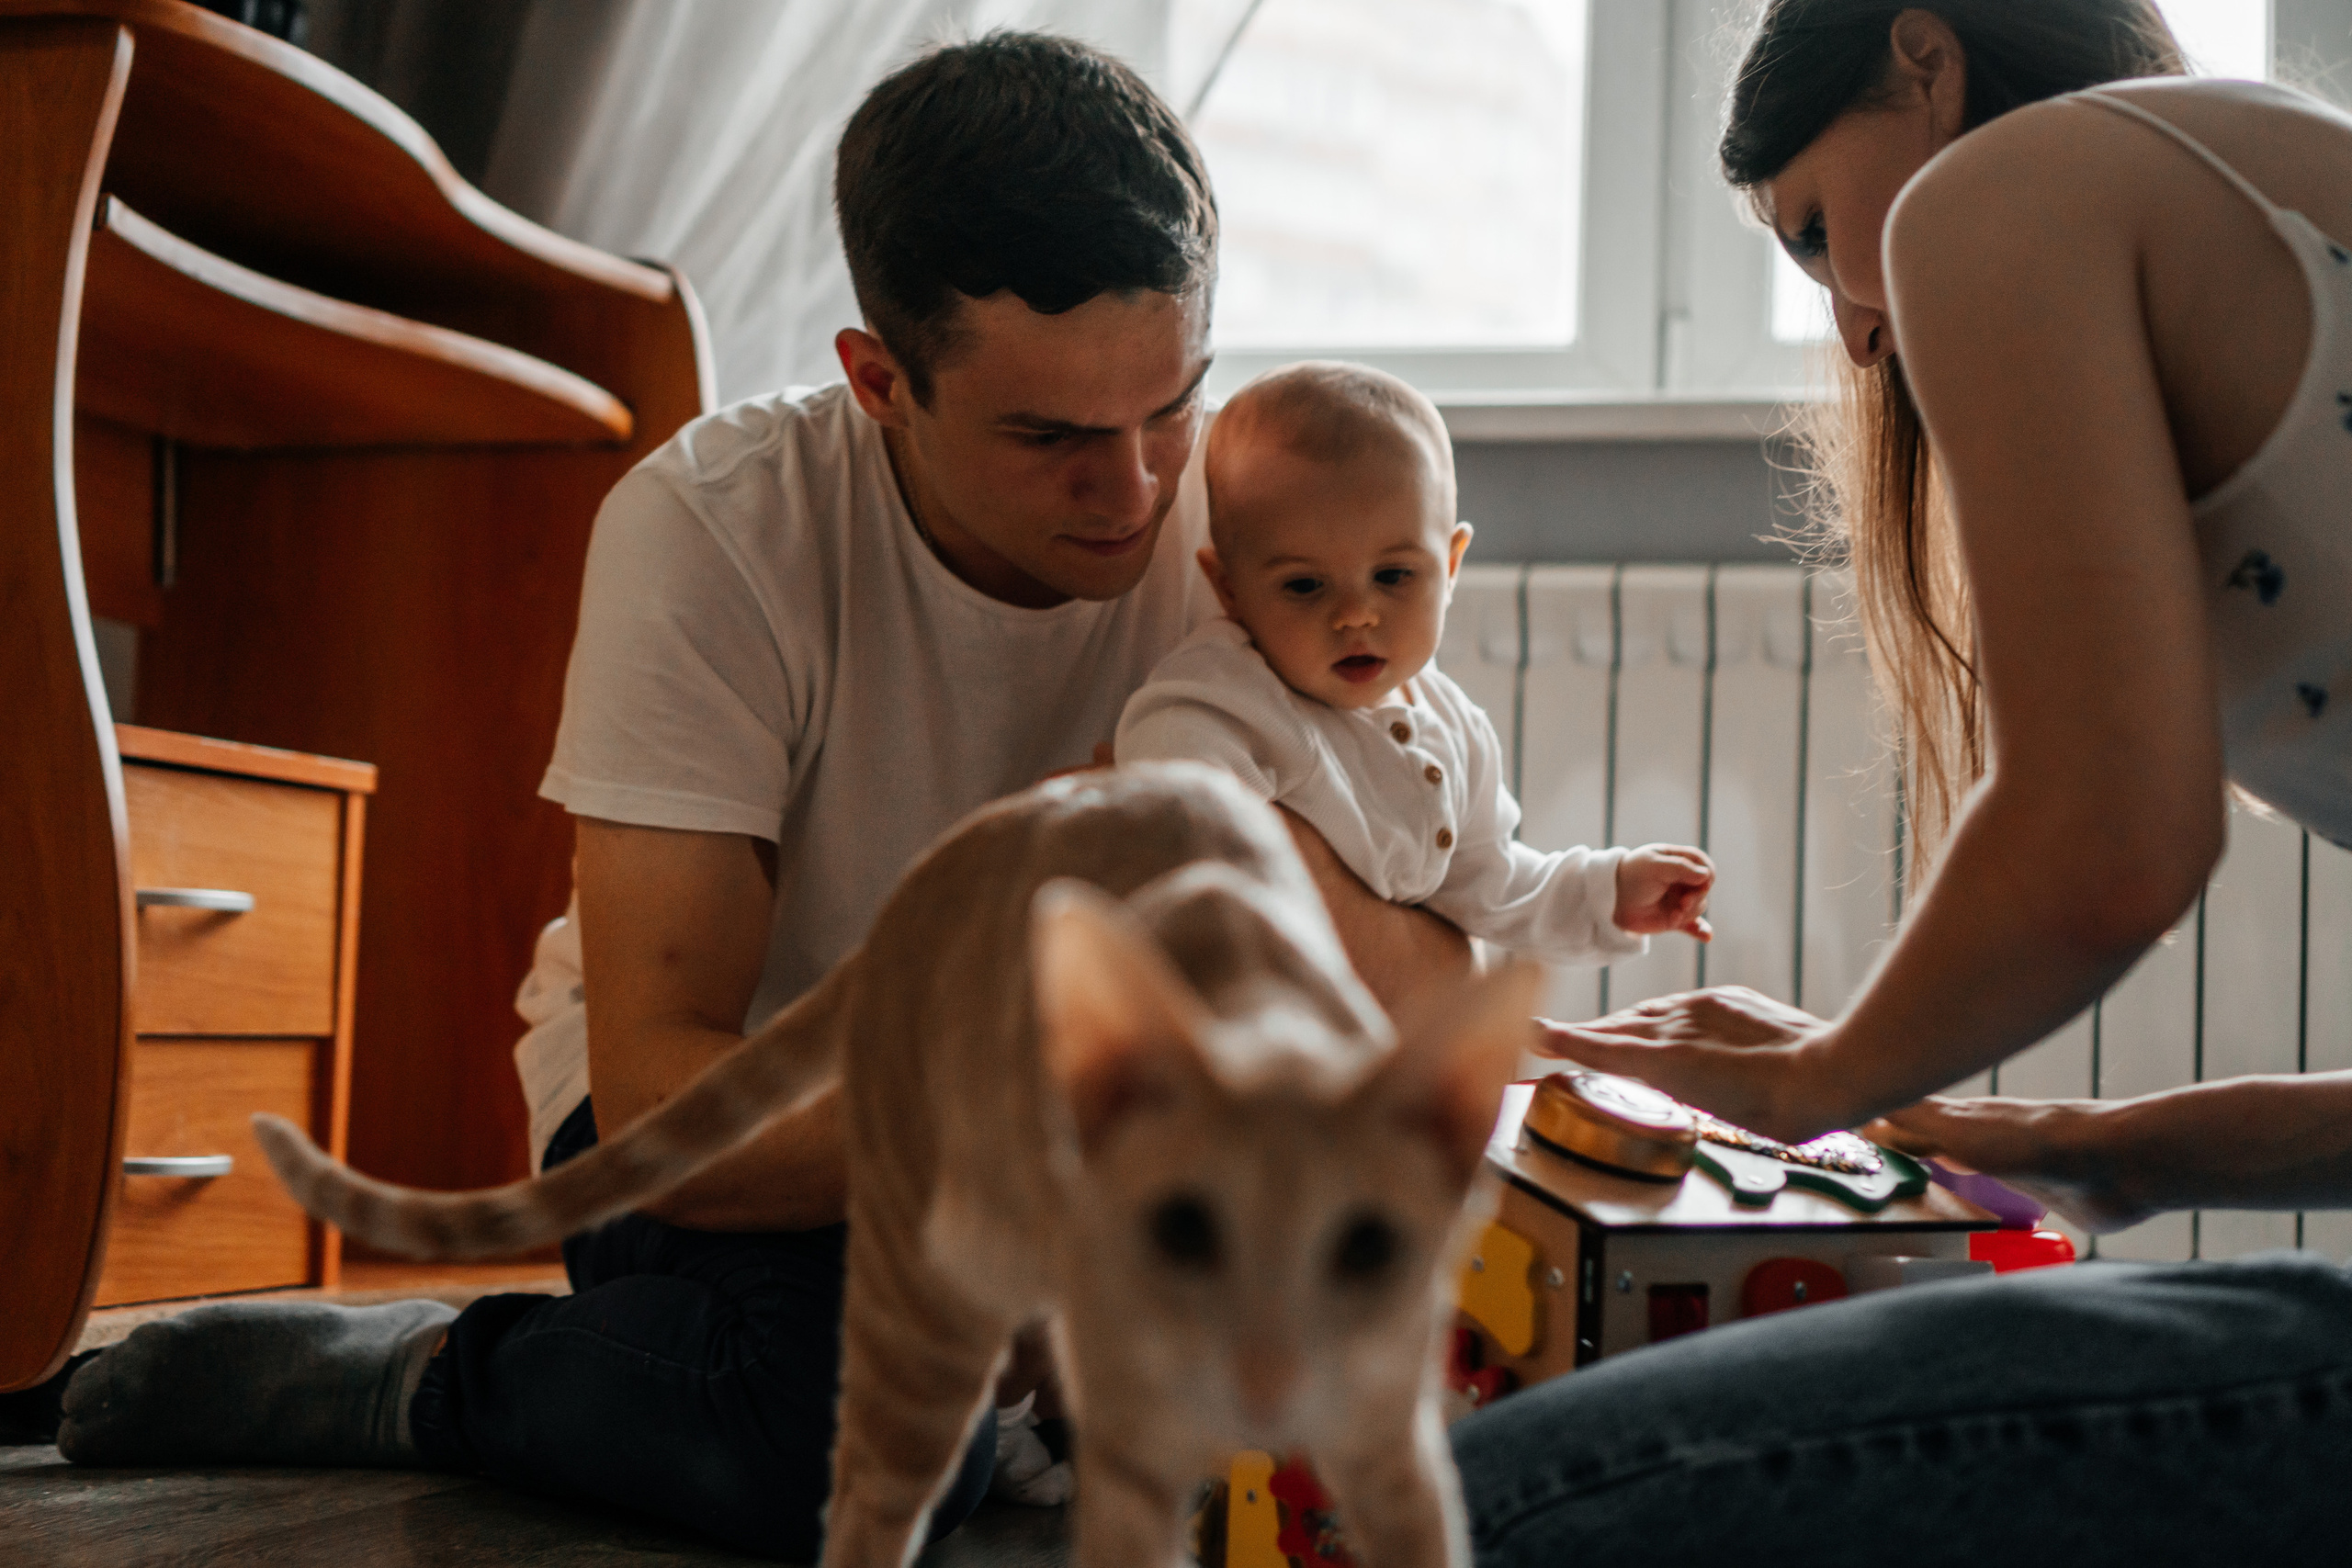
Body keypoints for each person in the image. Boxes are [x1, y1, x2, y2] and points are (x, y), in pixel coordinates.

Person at [29, 32, 1470, 1560]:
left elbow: (1441, 968)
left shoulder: (1268, 531)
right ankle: (438, 1373)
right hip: (745, 1123)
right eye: (1049, 437)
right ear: (880, 381)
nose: (1133, 492)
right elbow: (665, 1094)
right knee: (862, 1442)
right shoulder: (714, 528)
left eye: (1169, 406)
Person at [1449, 2, 2352, 1560]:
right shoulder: (2277, 170)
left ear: (1924, 60)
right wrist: (2093, 1141)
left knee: (1510, 1493)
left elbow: (2113, 844)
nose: (1856, 329)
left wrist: (1819, 1083)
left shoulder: (2003, 191)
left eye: (1815, 231)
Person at [1116, 361, 1716, 964]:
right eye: (1304, 585)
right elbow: (1180, 800)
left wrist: (1609, 891)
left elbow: (1491, 882)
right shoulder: (1233, 695)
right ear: (1229, 588)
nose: (1356, 615)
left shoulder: (1452, 724)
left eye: (1393, 576)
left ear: (1450, 567)